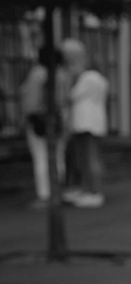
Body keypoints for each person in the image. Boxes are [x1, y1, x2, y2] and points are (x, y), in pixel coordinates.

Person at [61, 39, 109, 209]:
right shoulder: (101, 79)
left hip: (85, 122)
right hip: (94, 122)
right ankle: (89, 190)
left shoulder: (88, 78)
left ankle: (94, 192)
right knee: (89, 158)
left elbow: (70, 96)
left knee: (89, 159)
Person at [19, 54, 65, 208]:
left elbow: (30, 102)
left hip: (39, 120)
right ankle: (57, 191)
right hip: (57, 118)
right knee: (57, 156)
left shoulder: (37, 74)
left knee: (41, 156)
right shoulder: (61, 74)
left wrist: (28, 117)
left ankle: (45, 195)